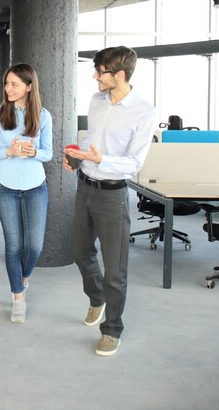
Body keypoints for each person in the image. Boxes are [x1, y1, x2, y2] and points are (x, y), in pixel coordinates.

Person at [63, 46, 156, 356]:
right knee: (79, 250)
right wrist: (78, 157)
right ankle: (96, 296)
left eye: (100, 72)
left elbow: (134, 163)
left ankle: (112, 328)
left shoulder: (144, 111)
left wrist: (100, 159)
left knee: (115, 268)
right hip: (84, 186)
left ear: (119, 75)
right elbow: (92, 138)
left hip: (113, 194)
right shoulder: (96, 100)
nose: (95, 77)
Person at [0, 63, 52, 323]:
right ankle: (18, 297)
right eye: (6, 83)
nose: (8, 88)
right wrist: (9, 151)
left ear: (29, 86)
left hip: (36, 186)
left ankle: (23, 277)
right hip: (5, 187)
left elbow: (49, 153)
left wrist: (33, 152)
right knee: (14, 244)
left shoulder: (43, 115)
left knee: (34, 246)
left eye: (14, 84)